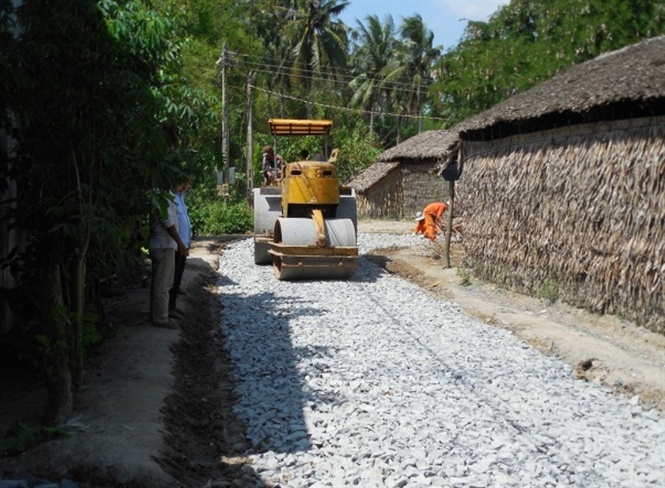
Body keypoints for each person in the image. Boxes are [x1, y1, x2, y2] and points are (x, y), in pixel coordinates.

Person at [148, 189, 189, 328]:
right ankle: (161, 318)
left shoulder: (165, 195)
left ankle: (158, 313)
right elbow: (168, 222)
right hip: (163, 245)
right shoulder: (161, 196)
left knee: (162, 282)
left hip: (164, 244)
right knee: (163, 283)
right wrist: (180, 243)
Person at [169, 176, 192, 316]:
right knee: (172, 277)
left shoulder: (180, 197)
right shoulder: (171, 198)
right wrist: (181, 243)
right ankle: (170, 308)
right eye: (182, 184)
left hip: (183, 242)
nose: (184, 187)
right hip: (177, 244)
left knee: (177, 276)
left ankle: (173, 304)